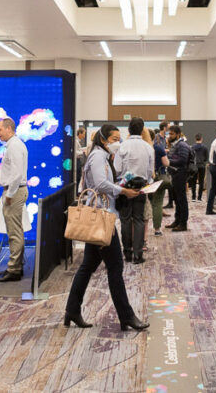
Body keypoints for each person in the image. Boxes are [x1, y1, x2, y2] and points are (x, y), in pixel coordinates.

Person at [64, 123, 148, 331]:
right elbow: (100, 184)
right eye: (113, 139)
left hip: (103, 216)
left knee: (89, 265)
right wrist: (123, 191)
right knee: (115, 267)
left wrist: (122, 185)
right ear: (103, 140)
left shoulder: (101, 156)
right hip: (102, 218)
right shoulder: (98, 156)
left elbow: (103, 182)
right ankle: (126, 316)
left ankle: (72, 310)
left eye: (119, 138)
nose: (117, 143)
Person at [0, 117, 28, 282]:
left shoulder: (14, 146)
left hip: (15, 192)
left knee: (14, 232)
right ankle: (15, 267)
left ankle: (13, 269)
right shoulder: (14, 145)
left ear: (9, 128)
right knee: (15, 231)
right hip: (15, 191)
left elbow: (16, 174)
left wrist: (10, 195)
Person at [115, 117, 154, 262]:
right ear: (143, 129)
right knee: (139, 219)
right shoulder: (148, 147)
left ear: (129, 130)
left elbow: (117, 169)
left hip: (125, 185)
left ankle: (127, 253)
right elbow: (150, 171)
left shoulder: (122, 147)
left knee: (125, 220)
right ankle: (138, 255)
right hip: (141, 185)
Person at [165, 125, 192, 231]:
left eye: (171, 134)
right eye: (169, 133)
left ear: (177, 134)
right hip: (175, 174)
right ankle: (177, 221)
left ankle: (183, 223)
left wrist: (169, 162)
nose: (169, 135)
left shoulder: (182, 145)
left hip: (180, 174)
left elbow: (183, 160)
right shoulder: (175, 145)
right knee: (177, 199)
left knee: (182, 200)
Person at [149, 129, 169, 236]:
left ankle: (142, 230)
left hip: (145, 179)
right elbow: (166, 163)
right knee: (157, 204)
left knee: (145, 203)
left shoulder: (143, 148)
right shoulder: (158, 148)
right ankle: (157, 229)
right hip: (158, 176)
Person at [190, 133, 209, 201]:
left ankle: (193, 197)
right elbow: (207, 158)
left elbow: (190, 157)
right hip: (202, 166)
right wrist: (203, 161)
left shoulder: (192, 147)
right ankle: (199, 198)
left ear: (195, 139)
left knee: (193, 181)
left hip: (194, 166)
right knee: (201, 182)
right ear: (201, 139)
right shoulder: (205, 147)